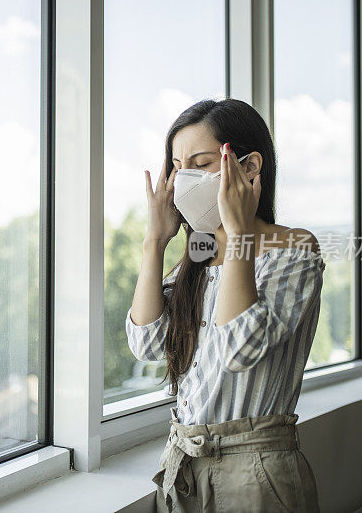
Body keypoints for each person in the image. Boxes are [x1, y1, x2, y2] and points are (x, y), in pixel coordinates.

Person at [127, 98, 324, 512]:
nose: (183, 180)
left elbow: (239, 350)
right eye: (177, 167)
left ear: (249, 168)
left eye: (200, 163)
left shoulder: (294, 248)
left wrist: (237, 235)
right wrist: (155, 241)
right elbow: (146, 345)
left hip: (256, 470)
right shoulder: (197, 257)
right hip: (183, 464)